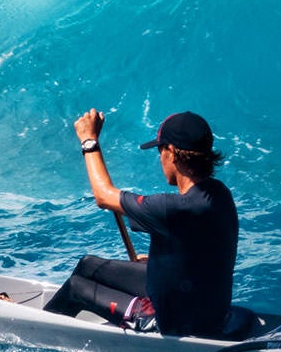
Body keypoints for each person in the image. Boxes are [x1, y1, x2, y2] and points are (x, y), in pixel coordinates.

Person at [43, 108, 239, 338]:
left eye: (160, 150)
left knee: (77, 287)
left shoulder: (173, 208)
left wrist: (89, 141)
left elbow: (104, 196)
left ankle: (37, 334)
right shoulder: (219, 194)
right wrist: (162, 264)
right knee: (88, 265)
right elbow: (200, 248)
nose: (160, 158)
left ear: (172, 153)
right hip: (202, 304)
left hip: (175, 322)